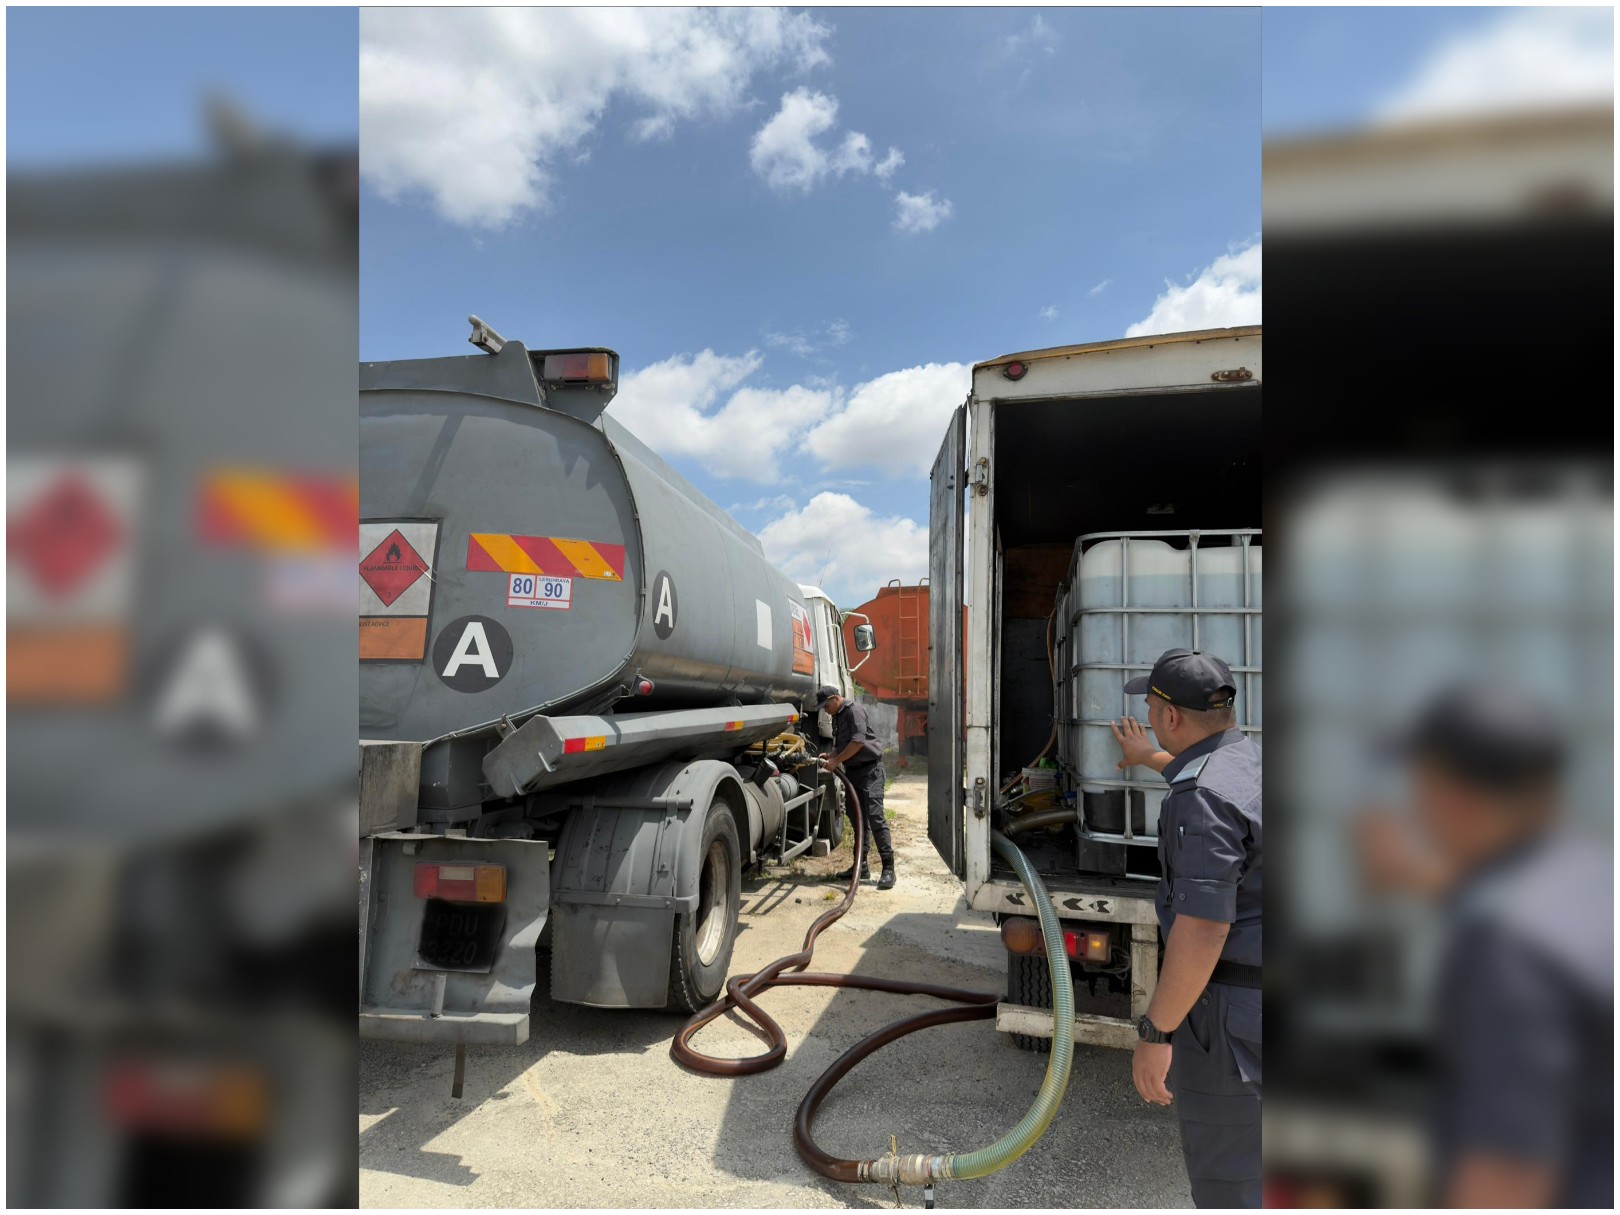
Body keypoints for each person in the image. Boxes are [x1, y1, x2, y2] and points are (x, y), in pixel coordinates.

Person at [1364, 687, 1611, 1209]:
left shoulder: (1504, 951)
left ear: (1453, 797)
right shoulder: (1591, 876)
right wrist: (1414, 875)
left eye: (1422, 785)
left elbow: (1508, 1174)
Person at [1112, 648, 1262, 1208]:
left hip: (1232, 1019)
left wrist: (1156, 1033)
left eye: (1151, 708)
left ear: (1171, 716)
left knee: (1232, 1185)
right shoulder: (1248, 759)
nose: (1149, 716)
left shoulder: (1200, 802)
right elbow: (1204, 774)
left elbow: (1202, 931)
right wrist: (1148, 756)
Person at [813, 685, 895, 890]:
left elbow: (858, 742)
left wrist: (836, 760)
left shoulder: (854, 711)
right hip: (854, 773)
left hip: (870, 772)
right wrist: (832, 755)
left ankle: (888, 869)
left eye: (826, 706)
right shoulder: (838, 716)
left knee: (875, 817)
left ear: (835, 698)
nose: (825, 711)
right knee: (857, 817)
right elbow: (843, 743)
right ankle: (861, 865)